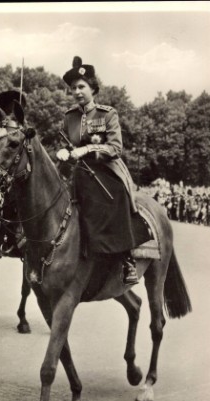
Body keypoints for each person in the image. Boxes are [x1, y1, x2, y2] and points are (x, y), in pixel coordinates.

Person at [56, 56, 151, 285]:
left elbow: (115, 148)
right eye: (73, 89)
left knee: (115, 197)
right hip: (78, 171)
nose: (77, 92)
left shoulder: (107, 114)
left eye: (81, 87)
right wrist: (61, 152)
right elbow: (65, 144)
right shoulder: (69, 117)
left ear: (93, 88)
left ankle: (126, 259)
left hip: (106, 170)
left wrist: (87, 148)